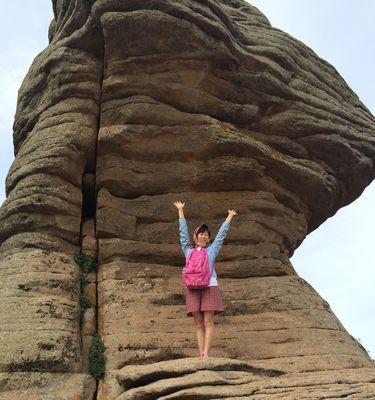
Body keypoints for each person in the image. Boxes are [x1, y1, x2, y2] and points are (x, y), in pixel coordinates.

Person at [173, 200, 238, 360]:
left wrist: (229, 218)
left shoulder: (212, 250)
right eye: (200, 233)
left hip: (210, 285)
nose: (203, 235)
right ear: (195, 237)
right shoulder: (187, 250)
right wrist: (180, 211)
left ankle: (206, 353)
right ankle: (201, 352)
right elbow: (182, 233)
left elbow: (221, 236)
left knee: (208, 321)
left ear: (208, 238)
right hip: (192, 286)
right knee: (198, 323)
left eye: (206, 234)